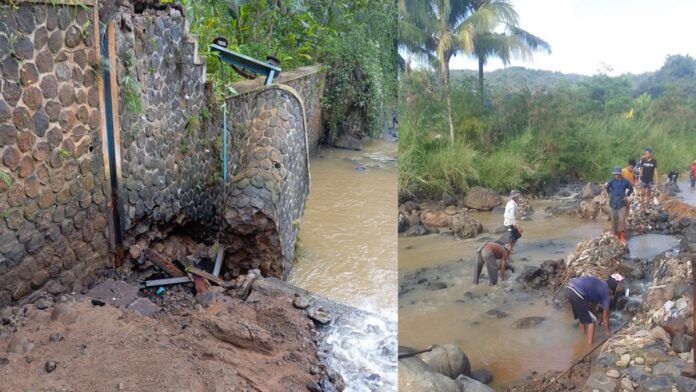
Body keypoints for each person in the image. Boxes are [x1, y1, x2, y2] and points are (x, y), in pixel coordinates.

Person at [565, 274, 622, 345]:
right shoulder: (605, 291)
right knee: (592, 321)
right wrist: (607, 332)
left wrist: (600, 318)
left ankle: (582, 337)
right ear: (610, 289)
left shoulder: (599, 284)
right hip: (578, 292)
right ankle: (589, 346)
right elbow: (606, 314)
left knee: (582, 316)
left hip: (569, 288)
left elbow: (593, 305)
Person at [605, 166, 634, 244]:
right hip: (613, 203)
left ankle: (622, 237)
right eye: (615, 174)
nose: (616, 175)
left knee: (621, 220)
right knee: (613, 220)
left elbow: (631, 188)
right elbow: (607, 188)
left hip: (622, 203)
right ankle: (614, 234)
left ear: (620, 173)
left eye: (618, 174)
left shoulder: (625, 181)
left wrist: (627, 195)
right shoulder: (611, 181)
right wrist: (610, 194)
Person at [638, 147, 657, 213]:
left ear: (650, 153)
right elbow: (641, 170)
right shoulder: (643, 160)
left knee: (648, 194)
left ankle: (647, 208)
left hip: (650, 180)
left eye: (647, 154)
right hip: (643, 180)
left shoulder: (654, 161)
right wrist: (639, 179)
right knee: (642, 194)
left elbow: (655, 171)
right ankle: (642, 207)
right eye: (645, 154)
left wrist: (656, 180)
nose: (646, 155)